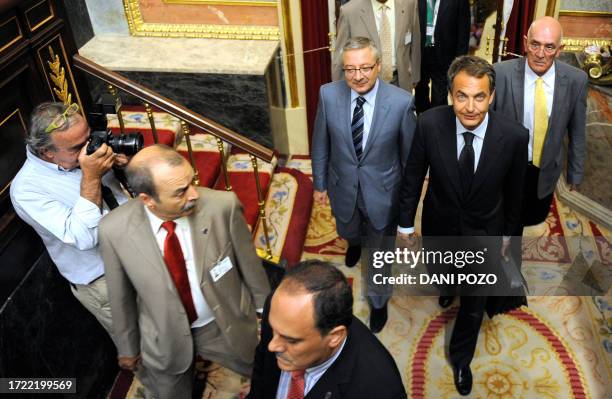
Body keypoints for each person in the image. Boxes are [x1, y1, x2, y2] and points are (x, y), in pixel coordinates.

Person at [397, 55, 528, 395]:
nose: (470, 107)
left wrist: (508, 238)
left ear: (492, 96)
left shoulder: (514, 137)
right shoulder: (428, 124)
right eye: (462, 96)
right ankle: (447, 288)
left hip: (485, 232)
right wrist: (405, 225)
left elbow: (516, 195)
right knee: (443, 275)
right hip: (440, 224)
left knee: (473, 306)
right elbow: (412, 177)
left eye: (479, 96)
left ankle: (460, 359)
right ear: (450, 95)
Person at [98, 145, 270, 399]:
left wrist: (267, 311)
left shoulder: (222, 206)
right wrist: (128, 347)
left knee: (267, 373)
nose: (193, 195)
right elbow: (120, 296)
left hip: (223, 324)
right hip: (163, 336)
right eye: (180, 192)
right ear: (147, 199)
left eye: (192, 182)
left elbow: (249, 264)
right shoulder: (113, 230)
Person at [312, 37, 416, 333]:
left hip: (383, 194)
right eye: (350, 69)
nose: (357, 76)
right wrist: (320, 184)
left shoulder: (400, 102)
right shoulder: (328, 95)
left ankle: (379, 302)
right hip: (342, 187)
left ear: (379, 67)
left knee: (379, 255)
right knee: (348, 229)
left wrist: (407, 206)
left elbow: (410, 160)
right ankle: (354, 241)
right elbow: (321, 143)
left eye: (365, 68)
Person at [10, 101, 128, 338]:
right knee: (142, 347)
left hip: (138, 251)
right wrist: (92, 178)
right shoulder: (27, 190)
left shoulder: (84, 153)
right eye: (77, 147)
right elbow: (84, 237)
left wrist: (126, 167)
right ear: (47, 153)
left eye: (89, 138)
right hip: (106, 279)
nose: (90, 149)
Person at [492, 16, 587, 269]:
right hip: (505, 168)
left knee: (525, 218)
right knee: (500, 220)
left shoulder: (576, 80)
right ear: (525, 43)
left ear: (560, 49)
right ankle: (499, 272)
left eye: (549, 47)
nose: (541, 53)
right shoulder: (501, 73)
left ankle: (508, 263)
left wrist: (575, 173)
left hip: (543, 168)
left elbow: (577, 130)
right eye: (535, 44)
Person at [247, 260, 406, 399]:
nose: (272, 346)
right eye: (273, 330)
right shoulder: (278, 309)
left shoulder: (380, 390)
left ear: (335, 337)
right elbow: (262, 367)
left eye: (292, 340)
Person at [332, 0, 421, 91]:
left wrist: (415, 76)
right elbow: (340, 56)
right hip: (365, 85)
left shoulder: (409, 4)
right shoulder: (349, 11)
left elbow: (415, 42)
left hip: (401, 82)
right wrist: (339, 91)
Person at [414, 0, 470, 113]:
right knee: (420, 88)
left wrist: (460, 62)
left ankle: (437, 121)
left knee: (439, 95)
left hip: (445, 53)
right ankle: (422, 119)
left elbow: (463, 32)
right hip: (420, 51)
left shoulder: (460, 2)